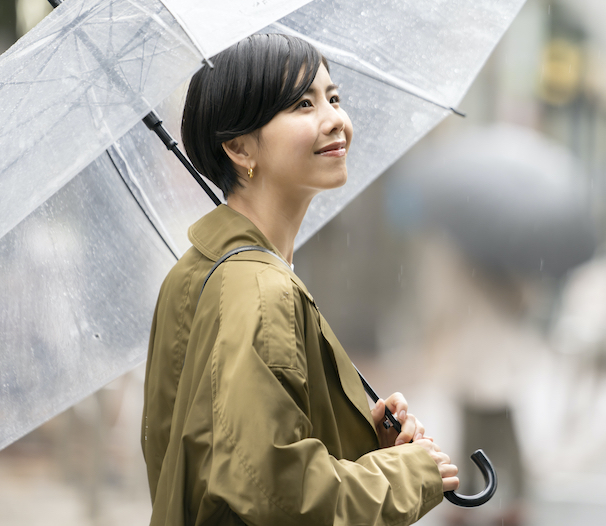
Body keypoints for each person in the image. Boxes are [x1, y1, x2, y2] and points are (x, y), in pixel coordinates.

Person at [141, 34, 457, 525]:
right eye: (302, 105)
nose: (335, 120)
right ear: (240, 148)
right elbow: (274, 492)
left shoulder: (196, 271)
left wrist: (361, 442)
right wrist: (407, 474)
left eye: (333, 98)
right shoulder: (261, 290)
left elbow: (205, 465)